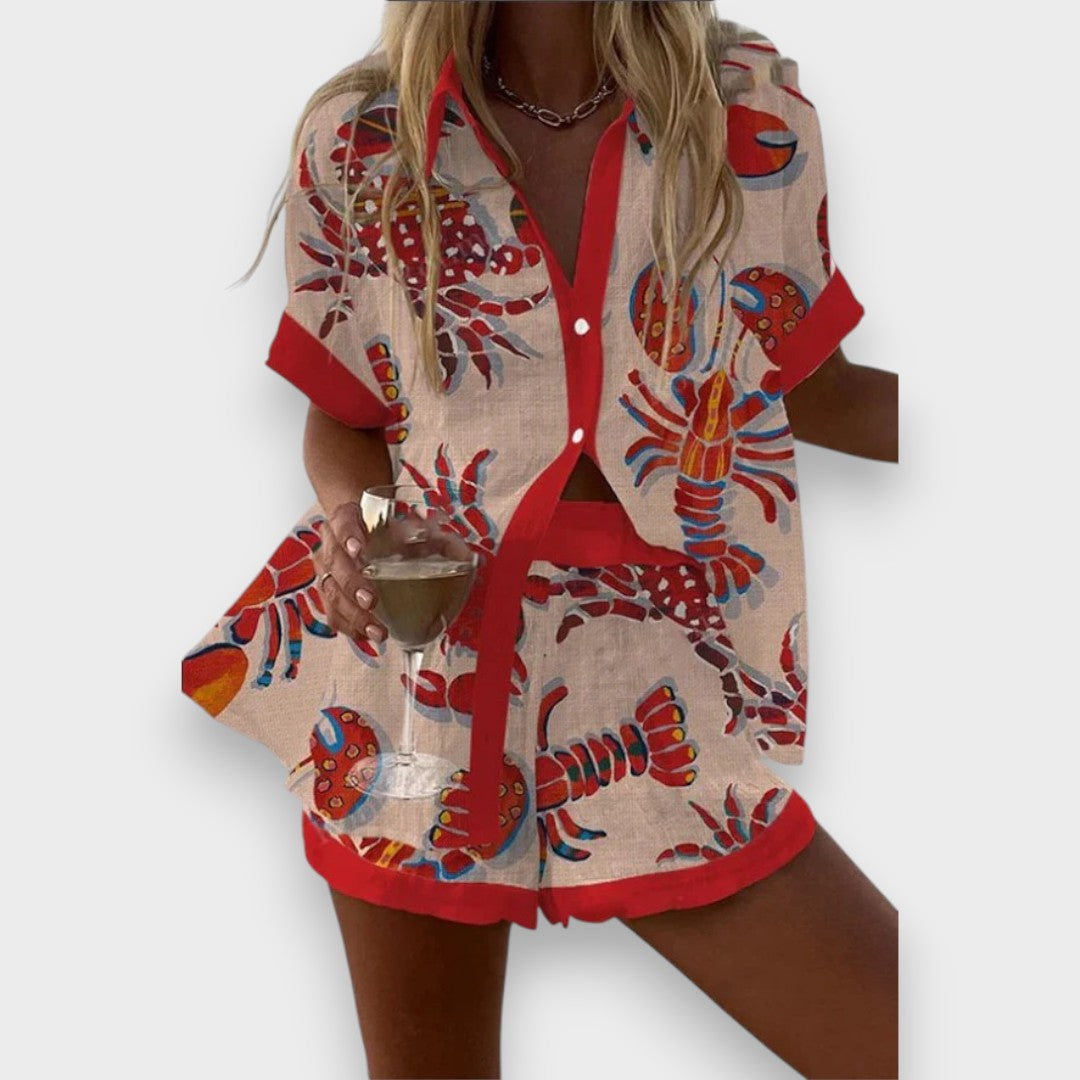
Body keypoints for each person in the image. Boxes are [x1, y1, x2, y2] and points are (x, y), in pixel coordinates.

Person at [181, 2, 899, 1076]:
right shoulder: (361, 136)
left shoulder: (748, 108)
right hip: (419, 693)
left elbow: (812, 383)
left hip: (661, 666)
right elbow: (347, 414)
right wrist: (361, 526)